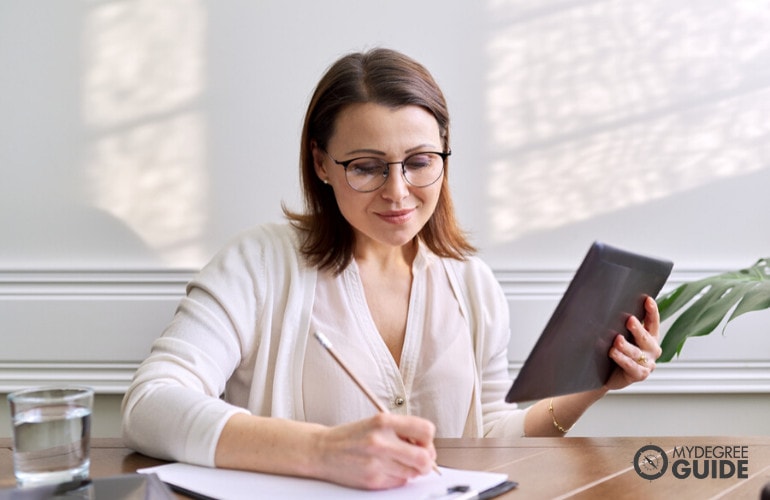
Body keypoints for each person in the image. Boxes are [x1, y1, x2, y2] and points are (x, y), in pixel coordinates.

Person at [121, 47, 663, 490]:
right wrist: (322, 451)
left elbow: (489, 436)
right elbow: (150, 405)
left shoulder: (471, 284)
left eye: (420, 162)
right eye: (366, 167)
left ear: (444, 154)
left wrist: (595, 384)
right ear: (321, 164)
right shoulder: (258, 264)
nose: (398, 192)